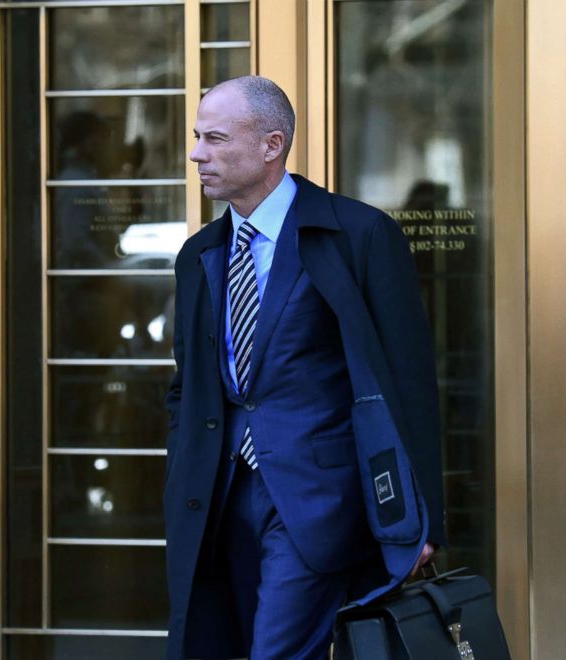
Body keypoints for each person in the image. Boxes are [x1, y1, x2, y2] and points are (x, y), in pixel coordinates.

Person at [163, 76, 445, 660]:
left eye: (214, 139)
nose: (196, 154)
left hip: (317, 500)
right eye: (197, 137)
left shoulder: (361, 236)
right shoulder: (200, 254)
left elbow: (408, 384)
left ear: (271, 145)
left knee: (278, 651)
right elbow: (187, 384)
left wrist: (422, 519)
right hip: (216, 497)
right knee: (224, 643)